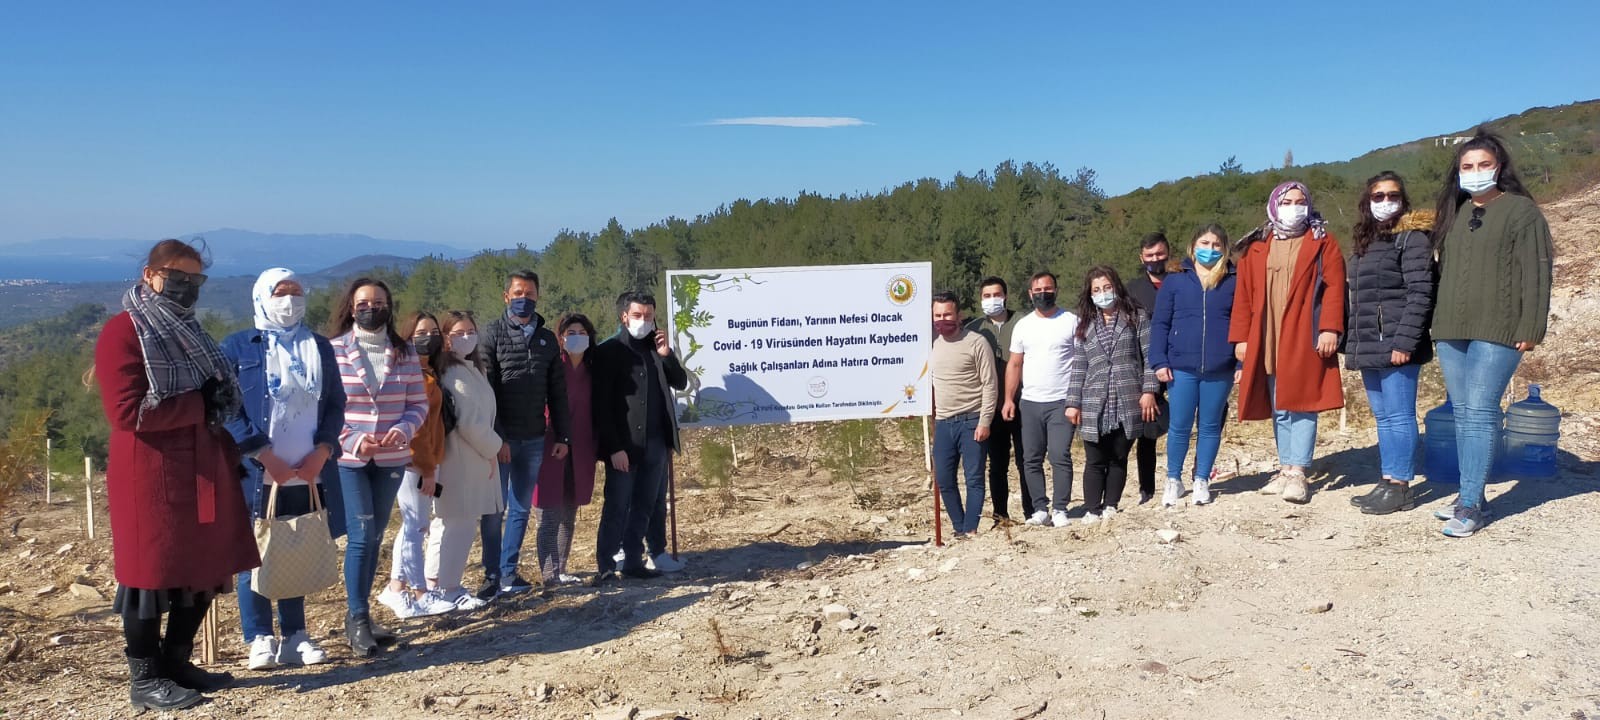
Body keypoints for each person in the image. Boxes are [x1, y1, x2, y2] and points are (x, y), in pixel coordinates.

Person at [93, 239, 257, 711]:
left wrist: (216, 405)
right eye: (177, 278)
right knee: (149, 573)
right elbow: (126, 412)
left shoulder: (191, 330)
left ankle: (177, 662)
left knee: (203, 565)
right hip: (149, 471)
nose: (187, 288)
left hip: (202, 462)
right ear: (150, 275)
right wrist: (201, 404)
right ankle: (145, 678)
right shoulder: (123, 331)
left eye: (195, 280)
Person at [1428, 129, 1553, 537]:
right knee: (1463, 413)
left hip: (1498, 328)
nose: (1476, 172)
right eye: (1467, 167)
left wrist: (1531, 325)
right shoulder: (1456, 212)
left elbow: (1537, 272)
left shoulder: (1521, 212)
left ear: (1499, 168)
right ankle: (1472, 495)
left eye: (1484, 165)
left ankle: (1470, 506)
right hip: (1452, 327)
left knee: (1481, 412)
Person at [221, 268, 344, 671]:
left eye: (296, 292)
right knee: (254, 552)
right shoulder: (239, 347)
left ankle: (295, 636)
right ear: (261, 297)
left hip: (307, 469)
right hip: (255, 473)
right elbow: (225, 405)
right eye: (280, 292)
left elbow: (335, 404)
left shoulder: (319, 347)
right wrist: (259, 450)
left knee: (294, 546)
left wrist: (323, 451)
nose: (289, 300)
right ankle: (258, 637)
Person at [327, 277, 429, 657]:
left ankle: (364, 614)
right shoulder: (334, 351)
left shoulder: (404, 353)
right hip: (350, 459)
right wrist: (352, 438)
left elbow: (418, 404)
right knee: (361, 534)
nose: (372, 308)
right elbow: (327, 407)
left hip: (391, 458)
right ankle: (355, 619)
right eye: (364, 302)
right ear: (351, 307)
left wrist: (404, 431)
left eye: (379, 302)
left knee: (374, 538)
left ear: (389, 306)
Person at [1229, 181, 1347, 504]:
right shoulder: (1257, 246)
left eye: (1300, 201)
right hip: (1267, 334)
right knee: (1279, 403)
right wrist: (1240, 338)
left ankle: (1298, 472)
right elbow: (1243, 297)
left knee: (1303, 402)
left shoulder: (1323, 243)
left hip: (1304, 333)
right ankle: (1284, 468)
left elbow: (1335, 288)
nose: (1294, 207)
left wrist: (1330, 328)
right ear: (1274, 206)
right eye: (1287, 201)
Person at [1343, 172, 1437, 516]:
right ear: (1368, 202)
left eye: (1392, 195)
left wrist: (1405, 341)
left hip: (1397, 343)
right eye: (1378, 196)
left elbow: (1420, 294)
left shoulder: (1412, 239)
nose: (1385, 202)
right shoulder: (1366, 241)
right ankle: (1387, 479)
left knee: (1399, 416)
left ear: (1403, 199)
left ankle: (1400, 485)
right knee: (1383, 417)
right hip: (1369, 342)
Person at [478, 270, 572, 598]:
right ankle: (490, 576)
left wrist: (563, 436)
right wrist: (497, 437)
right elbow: (487, 390)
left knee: (519, 508)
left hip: (533, 438)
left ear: (537, 297)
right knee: (494, 509)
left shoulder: (547, 339)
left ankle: (508, 573)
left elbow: (557, 392)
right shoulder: (490, 334)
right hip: (499, 440)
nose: (524, 298)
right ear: (506, 296)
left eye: (530, 293)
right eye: (518, 292)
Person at [592, 291, 689, 582]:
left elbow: (680, 381)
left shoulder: (655, 349)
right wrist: (613, 448)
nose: (643, 321)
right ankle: (607, 565)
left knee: (646, 504)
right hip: (624, 445)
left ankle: (634, 561)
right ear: (624, 317)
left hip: (657, 442)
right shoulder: (608, 351)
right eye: (637, 315)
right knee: (618, 504)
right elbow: (603, 407)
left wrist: (666, 355)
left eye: (648, 315)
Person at [1148, 225, 1238, 507]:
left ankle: (1202, 479)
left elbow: (1242, 323)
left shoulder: (1234, 280)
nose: (1209, 249)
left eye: (1216, 245)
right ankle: (1173, 479)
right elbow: (1160, 323)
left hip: (1220, 367)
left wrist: (1239, 362)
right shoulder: (1175, 280)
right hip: (1181, 367)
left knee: (1210, 426)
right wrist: (1159, 360)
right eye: (1204, 242)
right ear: (1192, 246)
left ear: (1224, 249)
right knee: (1179, 426)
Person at [1065, 267, 1159, 522]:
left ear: (1116, 287)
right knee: (1095, 458)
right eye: (1096, 290)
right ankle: (1092, 508)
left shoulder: (1136, 317)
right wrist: (1073, 403)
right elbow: (1079, 366)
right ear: (1090, 294)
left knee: (1119, 456)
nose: (1103, 293)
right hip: (1094, 399)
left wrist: (1149, 389)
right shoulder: (1085, 324)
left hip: (1128, 396)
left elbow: (1150, 357)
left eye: (1106, 288)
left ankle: (1111, 505)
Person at [377, 312, 456, 619]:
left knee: (415, 527)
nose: (429, 337)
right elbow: (419, 429)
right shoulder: (411, 374)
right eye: (421, 332)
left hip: (423, 461)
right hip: (412, 461)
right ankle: (420, 593)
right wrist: (427, 468)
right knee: (414, 527)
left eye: (433, 331)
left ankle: (396, 587)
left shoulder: (428, 371)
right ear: (407, 336)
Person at [425, 311, 499, 609]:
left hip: (469, 457)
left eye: (470, 330)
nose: (467, 337)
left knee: (449, 523)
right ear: (445, 338)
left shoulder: (470, 368)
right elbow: (470, 422)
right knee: (459, 524)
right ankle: (449, 587)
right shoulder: (454, 374)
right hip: (461, 458)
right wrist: (494, 448)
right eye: (458, 332)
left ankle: (435, 583)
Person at [1002, 271, 1080, 528]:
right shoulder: (1023, 325)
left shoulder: (1071, 321)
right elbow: (1014, 364)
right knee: (1031, 458)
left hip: (1062, 401)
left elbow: (1082, 363)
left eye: (1048, 289)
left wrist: (1076, 401)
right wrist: (1009, 399)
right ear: (1030, 293)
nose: (1043, 293)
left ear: (1056, 291)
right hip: (1030, 402)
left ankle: (1060, 509)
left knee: (1059, 455)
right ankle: (1039, 509)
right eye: (1038, 290)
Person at [534, 314, 601, 583]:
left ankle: (561, 568)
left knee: (569, 511)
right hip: (551, 446)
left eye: (582, 332)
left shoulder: (593, 370)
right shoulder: (553, 367)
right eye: (570, 332)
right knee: (548, 512)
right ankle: (549, 574)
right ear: (560, 337)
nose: (576, 336)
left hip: (582, 448)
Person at [929, 291, 998, 537]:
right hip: (943, 423)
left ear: (958, 315)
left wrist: (985, 421)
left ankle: (970, 529)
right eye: (937, 315)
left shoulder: (976, 342)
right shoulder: (931, 345)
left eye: (947, 314)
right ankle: (958, 528)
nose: (942, 319)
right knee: (944, 480)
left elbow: (990, 384)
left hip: (972, 420)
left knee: (974, 479)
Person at [966, 276, 1032, 522]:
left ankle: (1032, 511)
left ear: (1005, 295)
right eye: (986, 296)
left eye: (996, 295)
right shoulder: (974, 329)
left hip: (1024, 402)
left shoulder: (1023, 322)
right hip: (991, 408)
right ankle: (1000, 515)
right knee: (997, 464)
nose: (992, 300)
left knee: (1027, 460)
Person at [1125, 233, 1171, 504]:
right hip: (1145, 368)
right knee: (1147, 431)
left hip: (1177, 365)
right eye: (1150, 255)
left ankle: (1194, 478)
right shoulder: (1132, 289)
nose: (1155, 260)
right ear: (1141, 257)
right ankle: (1147, 489)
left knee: (1184, 426)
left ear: (1168, 253)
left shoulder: (1179, 282)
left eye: (1160, 254)